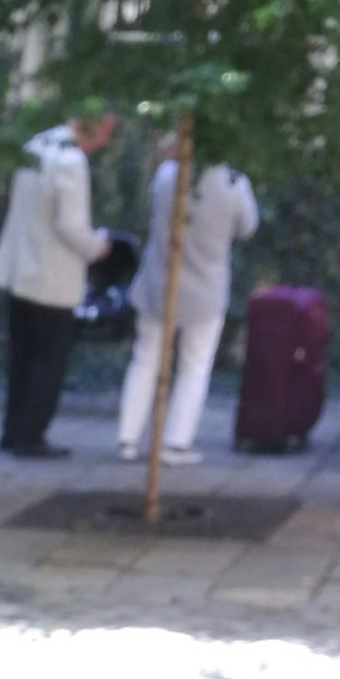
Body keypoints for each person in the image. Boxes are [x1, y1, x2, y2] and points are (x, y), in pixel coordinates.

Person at [0, 112, 117, 459]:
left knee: (21, 358)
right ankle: (32, 436)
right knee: (48, 361)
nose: (105, 142)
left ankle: (12, 431)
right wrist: (98, 246)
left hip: (20, 270)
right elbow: (71, 225)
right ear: (91, 124)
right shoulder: (71, 161)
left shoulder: (38, 144)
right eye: (106, 132)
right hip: (52, 276)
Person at [119, 155, 258, 465]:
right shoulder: (235, 184)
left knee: (145, 358)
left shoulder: (168, 173)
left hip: (158, 281)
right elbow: (247, 228)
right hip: (205, 289)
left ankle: (127, 439)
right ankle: (175, 443)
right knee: (195, 365)